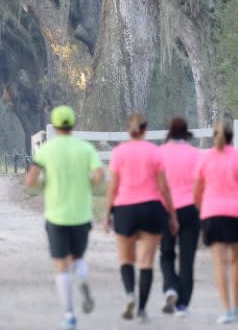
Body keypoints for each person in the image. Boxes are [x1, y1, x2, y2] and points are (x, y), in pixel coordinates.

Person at [24, 106, 105, 330]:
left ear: (55, 124)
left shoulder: (46, 151)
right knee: (77, 258)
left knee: (61, 265)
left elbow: (30, 180)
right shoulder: (85, 149)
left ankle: (69, 316)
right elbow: (99, 175)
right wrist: (88, 186)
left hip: (56, 215)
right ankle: (82, 277)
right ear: (73, 124)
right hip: (81, 215)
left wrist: (43, 186)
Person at [103, 114, 178, 323]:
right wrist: (172, 215)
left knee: (126, 259)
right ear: (145, 130)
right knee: (146, 262)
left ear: (129, 130)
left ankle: (129, 295)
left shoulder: (118, 153)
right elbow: (164, 187)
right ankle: (142, 309)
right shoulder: (155, 152)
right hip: (151, 209)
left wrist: (107, 214)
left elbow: (113, 187)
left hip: (125, 208)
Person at [193, 120, 238, 325]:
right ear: (232, 137)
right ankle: (237, 306)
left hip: (213, 214)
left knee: (219, 264)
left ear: (215, 136)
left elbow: (196, 191)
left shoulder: (205, 159)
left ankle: (227, 309)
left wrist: (201, 207)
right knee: (237, 262)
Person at [158, 117, 201, 317]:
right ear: (186, 133)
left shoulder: (160, 153)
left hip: (166, 209)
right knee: (187, 258)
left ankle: (171, 287)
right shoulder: (195, 154)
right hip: (190, 208)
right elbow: (201, 184)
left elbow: (157, 185)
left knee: (166, 252)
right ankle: (183, 304)